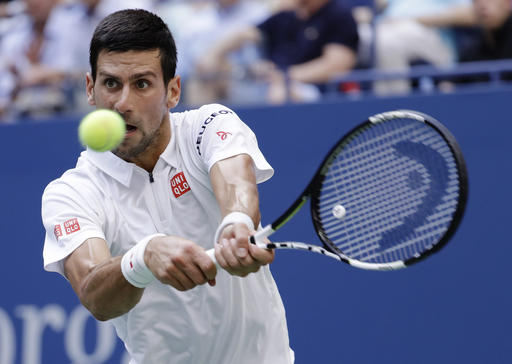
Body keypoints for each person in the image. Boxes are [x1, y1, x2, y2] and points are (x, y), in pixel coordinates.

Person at [41, 9, 292, 364]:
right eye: (111, 83)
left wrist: (236, 224)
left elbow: (236, 179)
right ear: (90, 89)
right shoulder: (71, 192)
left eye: (142, 83)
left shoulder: (208, 125)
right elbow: (94, 294)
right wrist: (142, 257)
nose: (123, 103)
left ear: (173, 91)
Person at [196, 0, 359, 104]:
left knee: (280, 91)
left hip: (314, 89)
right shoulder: (286, 15)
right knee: (207, 74)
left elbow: (335, 66)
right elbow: (246, 34)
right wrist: (213, 54)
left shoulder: (339, 14)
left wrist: (285, 75)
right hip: (268, 81)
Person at [373, 0, 476, 95]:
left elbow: (472, 13)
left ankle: (395, 103)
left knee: (386, 43)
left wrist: (414, 20)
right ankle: (385, 105)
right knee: (376, 40)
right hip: (387, 27)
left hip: (431, 33)